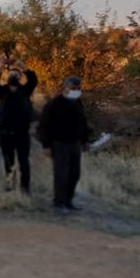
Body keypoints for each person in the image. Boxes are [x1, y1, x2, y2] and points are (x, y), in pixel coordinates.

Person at [38, 76, 91, 215]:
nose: (76, 91)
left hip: (75, 144)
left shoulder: (77, 103)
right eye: (73, 88)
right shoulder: (54, 104)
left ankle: (68, 202)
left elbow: (83, 123)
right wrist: (46, 145)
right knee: (61, 175)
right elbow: (44, 126)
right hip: (59, 144)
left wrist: (85, 141)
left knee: (74, 174)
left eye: (79, 88)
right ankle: (59, 203)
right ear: (65, 88)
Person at [0, 59, 38, 193]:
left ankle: (25, 188)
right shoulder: (2, 91)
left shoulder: (26, 90)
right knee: (8, 162)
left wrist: (23, 67)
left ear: (21, 77)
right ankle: (10, 186)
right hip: (5, 133)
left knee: (23, 162)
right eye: (11, 74)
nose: (14, 76)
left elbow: (33, 80)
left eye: (17, 75)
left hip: (22, 133)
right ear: (7, 77)